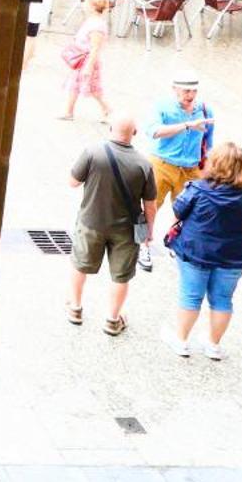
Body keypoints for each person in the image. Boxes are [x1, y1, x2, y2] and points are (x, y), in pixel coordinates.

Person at [161, 142, 242, 360]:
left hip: (197, 251)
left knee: (191, 296)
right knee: (223, 299)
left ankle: (181, 341)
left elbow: (178, 212)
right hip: (235, 255)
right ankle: (213, 345)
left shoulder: (197, 189)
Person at [65, 115, 155, 335]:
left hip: (91, 223)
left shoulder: (92, 152)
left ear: (111, 128)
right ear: (134, 133)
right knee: (121, 275)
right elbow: (150, 205)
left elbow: (73, 182)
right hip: (126, 230)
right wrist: (148, 232)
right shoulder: (144, 164)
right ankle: (113, 320)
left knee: (80, 265)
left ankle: (75, 309)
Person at [142, 71, 215, 272]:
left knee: (187, 210)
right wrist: (186, 125)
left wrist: (207, 172)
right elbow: (153, 131)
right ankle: (143, 245)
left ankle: (175, 241)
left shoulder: (205, 110)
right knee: (149, 207)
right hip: (162, 165)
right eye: (186, 90)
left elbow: (208, 143)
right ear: (174, 89)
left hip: (191, 169)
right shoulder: (162, 107)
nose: (190, 95)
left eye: (193, 90)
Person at [60, 0, 114, 121]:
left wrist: (89, 66)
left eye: (86, 3)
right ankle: (69, 111)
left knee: (92, 88)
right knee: (75, 85)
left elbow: (95, 47)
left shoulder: (97, 26)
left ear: (93, 7)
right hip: (81, 60)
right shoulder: (92, 21)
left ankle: (107, 109)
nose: (83, 4)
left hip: (87, 61)